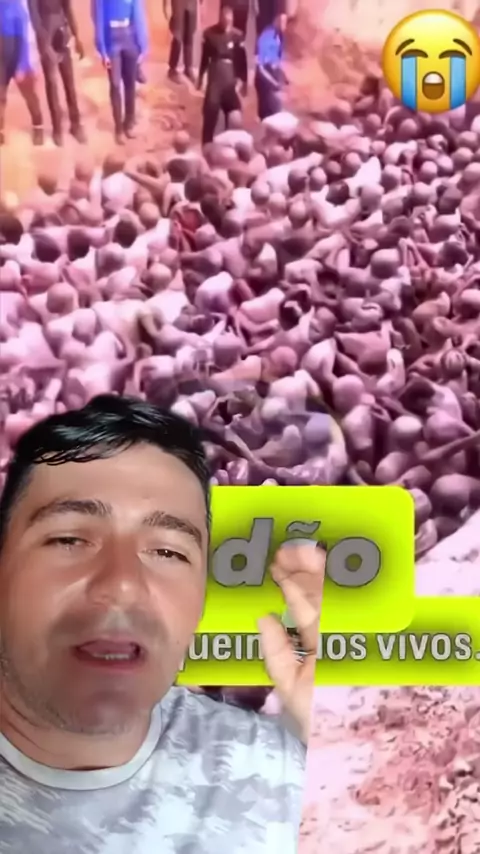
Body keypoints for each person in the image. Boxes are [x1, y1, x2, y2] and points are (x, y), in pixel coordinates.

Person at [0, 394, 324, 852]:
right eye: (69, 539)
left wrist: (326, 744)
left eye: (168, 551)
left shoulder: (277, 770)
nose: (123, 585)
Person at [27, 0, 86, 146]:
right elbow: (35, 19)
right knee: (52, 84)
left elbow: (68, 9)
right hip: (46, 36)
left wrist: (77, 37)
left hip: (61, 34)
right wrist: (45, 45)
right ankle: (57, 129)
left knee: (69, 83)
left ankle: (75, 125)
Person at [93, 0, 148, 145]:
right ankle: (118, 129)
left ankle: (129, 123)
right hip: (112, 40)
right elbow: (98, 17)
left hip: (130, 38)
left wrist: (143, 45)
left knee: (130, 84)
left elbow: (139, 14)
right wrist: (102, 51)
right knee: (115, 85)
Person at [197, 4, 248, 146]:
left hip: (230, 78)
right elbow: (204, 57)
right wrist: (201, 77)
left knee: (235, 113)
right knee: (210, 110)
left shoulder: (238, 36)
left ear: (232, 20)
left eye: (229, 20)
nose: (227, 23)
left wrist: (243, 81)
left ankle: (230, 146)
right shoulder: (210, 34)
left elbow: (242, 60)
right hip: (215, 76)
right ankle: (206, 144)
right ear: (220, 19)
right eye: (224, 20)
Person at [0, 0, 44, 147]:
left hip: (18, 56)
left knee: (30, 95)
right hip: (2, 60)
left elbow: (25, 39)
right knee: (1, 97)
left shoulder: (18, 7)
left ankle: (38, 127)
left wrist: (22, 65)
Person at [254, 10, 288, 119]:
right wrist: (274, 83)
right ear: (276, 21)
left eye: (286, 22)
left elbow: (280, 62)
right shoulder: (267, 37)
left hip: (275, 81)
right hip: (266, 82)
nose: (285, 25)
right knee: (270, 115)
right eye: (283, 22)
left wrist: (284, 78)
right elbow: (261, 68)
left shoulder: (280, 37)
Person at [164, 0, 201, 84]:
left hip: (192, 3)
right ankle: (172, 68)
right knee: (178, 35)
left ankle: (188, 68)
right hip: (178, 2)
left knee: (189, 34)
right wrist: (166, 4)